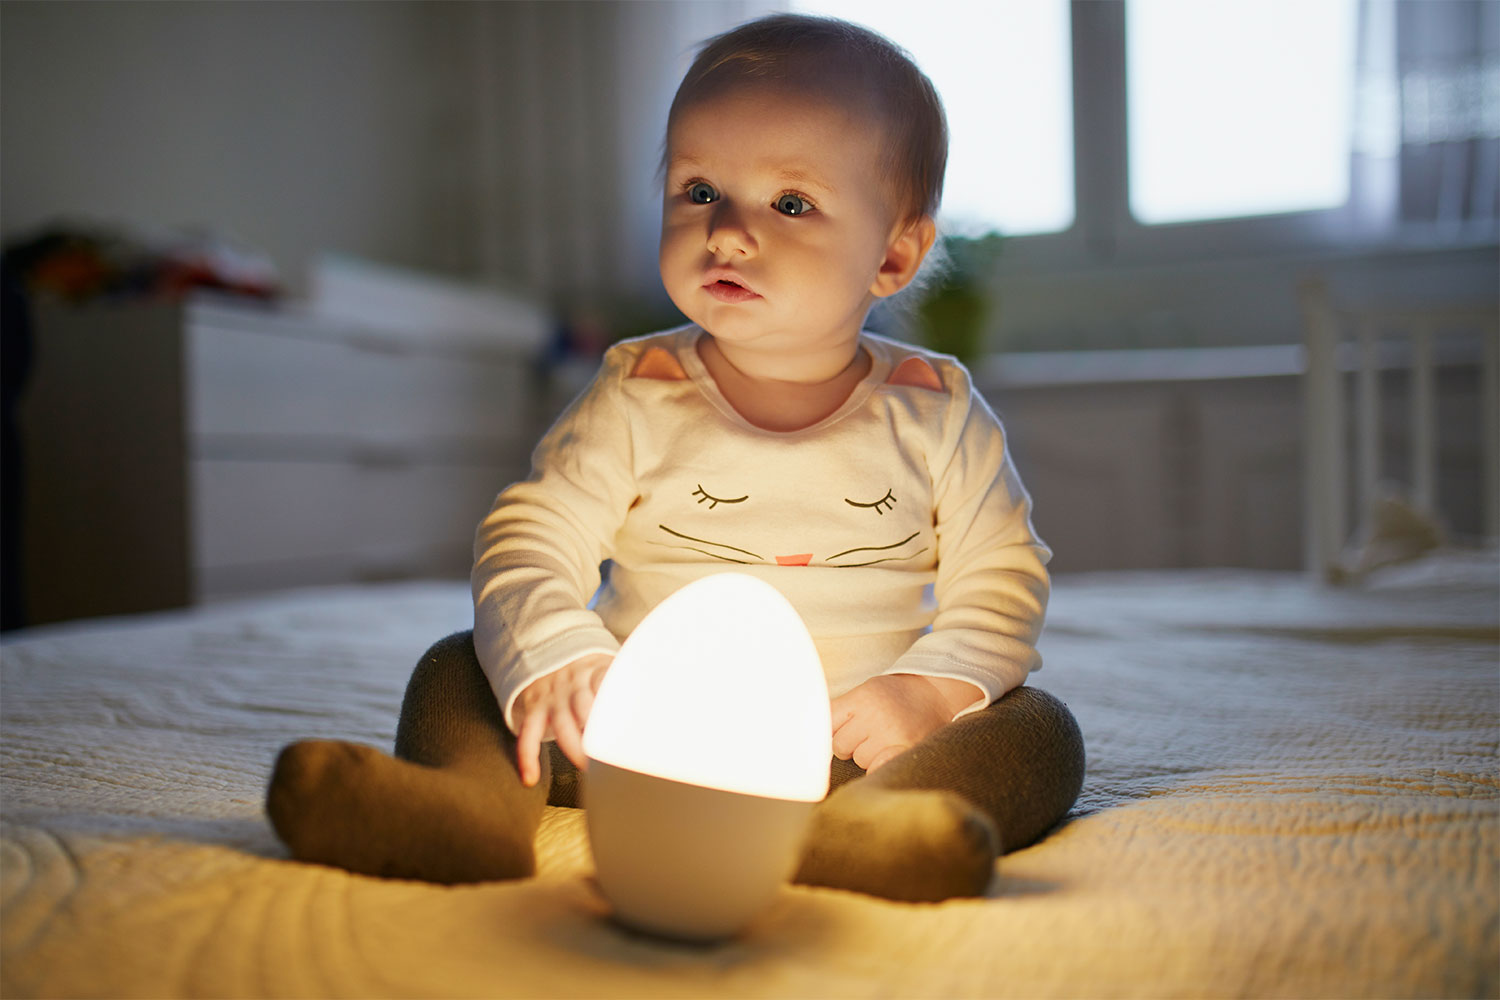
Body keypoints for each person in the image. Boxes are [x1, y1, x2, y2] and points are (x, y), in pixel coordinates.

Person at [267, 13, 1084, 904]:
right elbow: (530, 536)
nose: (728, 232)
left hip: (847, 754)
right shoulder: (639, 389)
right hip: (629, 741)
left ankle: (870, 834)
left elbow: (1002, 575)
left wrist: (926, 693)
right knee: (461, 664)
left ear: (893, 253)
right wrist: (562, 656)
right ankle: (468, 815)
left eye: (792, 204)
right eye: (700, 191)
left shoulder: (934, 407)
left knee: (1035, 729)